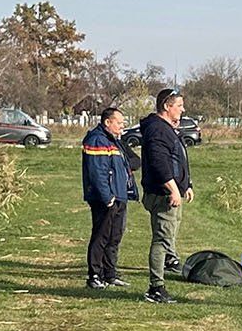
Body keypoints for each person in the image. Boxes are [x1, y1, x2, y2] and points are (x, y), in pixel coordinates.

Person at [139, 87, 193, 305]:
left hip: (172, 191)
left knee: (168, 237)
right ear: (167, 107)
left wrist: (186, 185)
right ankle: (156, 288)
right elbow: (160, 164)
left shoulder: (166, 128)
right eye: (179, 105)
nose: (183, 109)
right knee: (161, 240)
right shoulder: (158, 130)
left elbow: (177, 159)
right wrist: (172, 190)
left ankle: (168, 265)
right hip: (163, 195)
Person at [80, 105, 134, 289]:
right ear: (107, 122)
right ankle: (94, 275)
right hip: (106, 198)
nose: (122, 126)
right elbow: (97, 172)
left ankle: (110, 273)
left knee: (114, 237)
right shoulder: (97, 140)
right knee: (101, 236)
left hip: (120, 195)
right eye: (119, 123)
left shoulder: (114, 141)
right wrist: (107, 196)